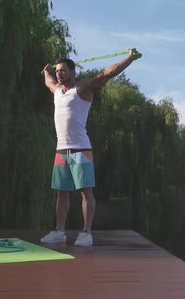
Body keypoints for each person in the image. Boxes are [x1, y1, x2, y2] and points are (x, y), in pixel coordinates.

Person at [40, 48, 140, 247]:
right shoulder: (57, 91)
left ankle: (86, 233)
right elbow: (48, 81)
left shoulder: (82, 88)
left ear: (73, 72)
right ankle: (59, 231)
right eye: (58, 71)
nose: (59, 74)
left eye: (63, 70)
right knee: (61, 192)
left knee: (85, 192)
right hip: (61, 150)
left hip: (80, 149)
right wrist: (46, 71)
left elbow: (106, 74)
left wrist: (129, 58)